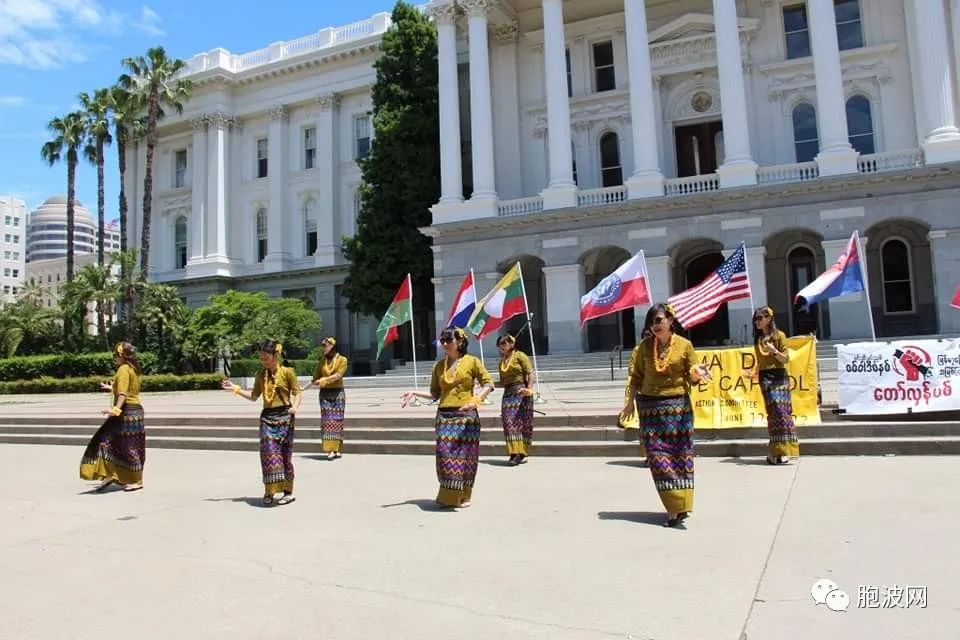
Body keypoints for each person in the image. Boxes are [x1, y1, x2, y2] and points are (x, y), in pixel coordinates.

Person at [619, 304, 711, 528]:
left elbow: (692, 373)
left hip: (678, 408)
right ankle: (673, 507)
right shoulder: (643, 348)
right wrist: (629, 404)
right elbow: (635, 378)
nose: (655, 325)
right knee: (657, 458)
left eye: (659, 320)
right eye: (652, 322)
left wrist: (698, 374)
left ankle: (682, 504)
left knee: (681, 456)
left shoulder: (684, 345)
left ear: (671, 320)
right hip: (650, 409)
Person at [401, 327, 494, 508]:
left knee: (466, 458)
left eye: (448, 340)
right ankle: (449, 495)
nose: (444, 344)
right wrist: (414, 392)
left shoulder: (472, 362)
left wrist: (477, 399)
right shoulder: (438, 366)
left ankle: (464, 495)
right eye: (442, 340)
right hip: (444, 417)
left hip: (466, 417)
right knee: (445, 456)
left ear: (459, 342)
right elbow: (435, 394)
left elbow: (488, 383)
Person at [222, 339, 302, 506]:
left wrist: (294, 406)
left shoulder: (288, 372)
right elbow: (253, 396)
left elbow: (297, 393)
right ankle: (269, 491)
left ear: (275, 355)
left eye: (266, 357)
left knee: (284, 455)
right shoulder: (260, 375)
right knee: (268, 454)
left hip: (285, 416)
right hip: (267, 417)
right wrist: (235, 389)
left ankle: (288, 492)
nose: (263, 361)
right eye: (261, 358)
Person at [80, 342, 146, 492]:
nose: (114, 358)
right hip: (136, 411)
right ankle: (112, 474)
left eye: (116, 355)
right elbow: (128, 390)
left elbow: (123, 394)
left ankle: (133, 479)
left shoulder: (123, 369)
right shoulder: (133, 369)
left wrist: (115, 409)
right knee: (124, 444)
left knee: (114, 443)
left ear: (122, 356)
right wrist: (112, 388)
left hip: (126, 411)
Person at [745, 306, 800, 465]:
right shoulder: (757, 340)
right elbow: (760, 361)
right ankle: (775, 451)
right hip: (765, 378)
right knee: (774, 413)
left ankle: (785, 450)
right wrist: (753, 372)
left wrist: (774, 350)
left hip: (779, 376)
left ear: (769, 319)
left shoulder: (779, 336)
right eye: (755, 319)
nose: (757, 322)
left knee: (783, 412)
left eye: (760, 318)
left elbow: (785, 359)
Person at [305, 337, 349, 460]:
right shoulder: (322, 362)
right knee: (327, 421)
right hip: (324, 395)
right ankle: (330, 449)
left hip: (338, 393)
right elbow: (315, 377)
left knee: (337, 420)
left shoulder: (342, 360)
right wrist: (311, 383)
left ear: (332, 346)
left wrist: (323, 380)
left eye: (325, 345)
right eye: (322, 345)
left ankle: (337, 448)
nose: (323, 348)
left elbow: (338, 375)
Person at [496, 334, 535, 465]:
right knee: (508, 423)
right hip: (508, 394)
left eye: (503, 343)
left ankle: (521, 453)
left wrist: (528, 389)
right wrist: (488, 385)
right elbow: (502, 382)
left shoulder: (520, 356)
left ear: (511, 344)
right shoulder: (501, 362)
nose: (501, 346)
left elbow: (530, 372)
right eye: (500, 343)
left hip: (521, 392)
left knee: (521, 423)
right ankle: (513, 452)